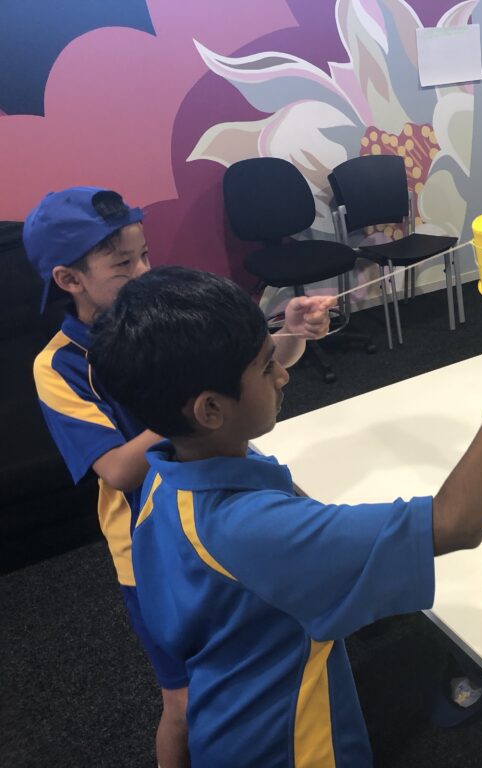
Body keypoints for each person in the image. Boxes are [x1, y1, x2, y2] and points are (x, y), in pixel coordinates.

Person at [87, 266, 482, 765]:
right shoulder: (251, 531)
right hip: (294, 748)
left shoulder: (164, 476)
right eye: (266, 366)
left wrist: (285, 335)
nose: (282, 373)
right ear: (210, 410)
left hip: (223, 721)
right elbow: (457, 521)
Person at [23, 187, 334, 766]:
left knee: (259, 655)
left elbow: (250, 379)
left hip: (224, 516)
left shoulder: (165, 320)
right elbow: (116, 468)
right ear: (69, 280)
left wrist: (286, 334)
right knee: (184, 702)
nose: (143, 272)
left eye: (145, 255)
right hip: (152, 550)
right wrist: (191, 402)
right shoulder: (59, 366)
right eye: (123, 264)